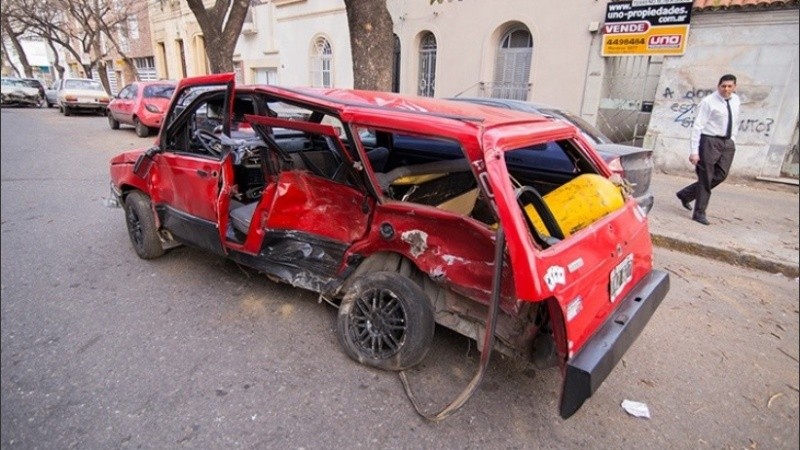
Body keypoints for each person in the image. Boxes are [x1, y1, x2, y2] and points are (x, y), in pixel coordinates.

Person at [675, 74, 740, 225]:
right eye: (723, 86)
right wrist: (694, 151)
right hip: (709, 141)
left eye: (730, 86)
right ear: (718, 86)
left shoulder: (736, 100)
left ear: (734, 87)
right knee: (706, 177)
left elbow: (735, 121)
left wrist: (733, 140)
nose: (726, 89)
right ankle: (699, 213)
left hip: (727, 142)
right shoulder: (708, 102)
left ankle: (686, 194)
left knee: (721, 175)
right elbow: (698, 126)